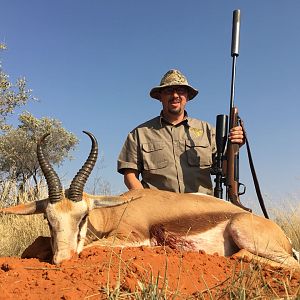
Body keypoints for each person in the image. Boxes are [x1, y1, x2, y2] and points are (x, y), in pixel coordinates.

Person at [117, 69, 244, 195]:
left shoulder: (207, 130)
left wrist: (235, 146)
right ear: (160, 97)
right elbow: (130, 175)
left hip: (202, 208)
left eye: (181, 90)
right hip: (160, 210)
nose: (175, 95)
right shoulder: (139, 134)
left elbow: (224, 171)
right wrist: (146, 203)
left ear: (187, 97)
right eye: (168, 91)